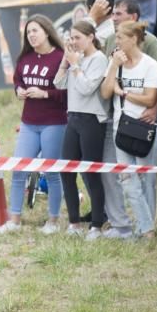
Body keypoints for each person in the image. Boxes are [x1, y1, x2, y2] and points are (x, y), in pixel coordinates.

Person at [0, 15, 66, 235]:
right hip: (29, 122)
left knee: (52, 172)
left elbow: (68, 93)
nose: (31, 35)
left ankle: (53, 220)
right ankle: (14, 219)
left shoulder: (61, 58)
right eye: (28, 33)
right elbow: (18, 80)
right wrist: (19, 90)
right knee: (19, 169)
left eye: (35, 31)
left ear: (47, 31)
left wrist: (45, 93)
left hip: (54, 122)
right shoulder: (25, 58)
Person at [101, 21, 157, 239]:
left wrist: (125, 93)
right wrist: (112, 67)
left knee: (147, 178)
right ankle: (146, 228)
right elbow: (107, 93)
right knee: (128, 179)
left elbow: (150, 98)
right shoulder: (116, 62)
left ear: (134, 39)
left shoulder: (149, 64)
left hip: (146, 127)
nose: (116, 41)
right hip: (122, 127)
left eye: (119, 37)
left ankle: (146, 226)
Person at [53, 20, 109, 240]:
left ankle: (96, 224)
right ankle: (74, 222)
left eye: (77, 38)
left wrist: (75, 65)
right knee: (66, 170)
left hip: (92, 119)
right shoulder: (78, 59)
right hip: (73, 117)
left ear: (90, 37)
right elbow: (58, 84)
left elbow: (86, 88)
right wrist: (66, 63)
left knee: (91, 172)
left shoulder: (99, 59)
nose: (73, 42)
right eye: (71, 38)